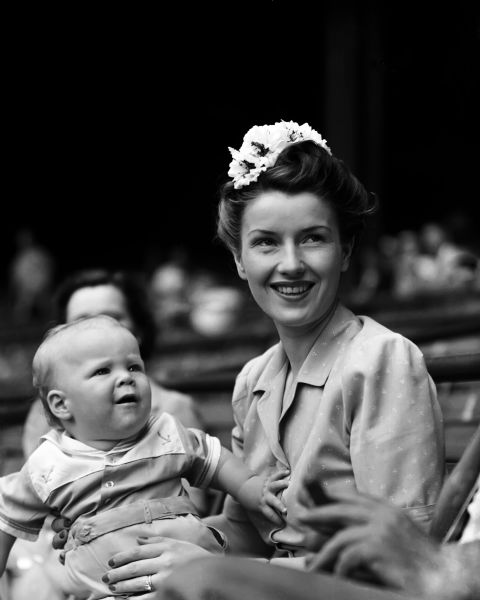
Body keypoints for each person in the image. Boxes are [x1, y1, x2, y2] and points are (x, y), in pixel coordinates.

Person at [96, 120, 445, 595]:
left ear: (345, 249)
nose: (290, 263)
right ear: (240, 260)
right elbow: (253, 531)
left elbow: (398, 559)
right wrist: (192, 535)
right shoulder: (254, 378)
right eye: (266, 242)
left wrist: (208, 566)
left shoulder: (382, 360)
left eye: (313, 238)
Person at [0, 316, 288, 599]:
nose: (126, 376)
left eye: (134, 367)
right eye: (102, 371)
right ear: (61, 404)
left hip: (190, 577)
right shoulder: (48, 464)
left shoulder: (165, 433)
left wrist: (252, 489)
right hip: (109, 591)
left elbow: (215, 461)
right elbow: (6, 516)